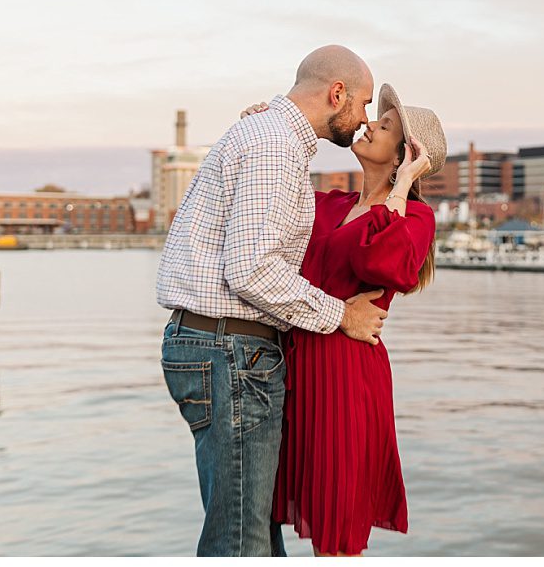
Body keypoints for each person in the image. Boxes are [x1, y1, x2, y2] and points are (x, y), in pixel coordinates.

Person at [155, 45, 390, 557]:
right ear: (337, 94)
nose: (365, 119)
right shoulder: (276, 146)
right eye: (364, 103)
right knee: (240, 539)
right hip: (231, 353)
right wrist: (342, 315)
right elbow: (251, 268)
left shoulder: (267, 135)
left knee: (254, 530)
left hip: (219, 348)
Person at [241, 83, 447, 556]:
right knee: (292, 515)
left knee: (338, 534)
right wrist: (262, 127)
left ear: (405, 156)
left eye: (387, 125)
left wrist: (398, 188)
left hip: (346, 374)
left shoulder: (415, 216)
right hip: (294, 368)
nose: (370, 122)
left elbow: (384, 264)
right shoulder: (327, 204)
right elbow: (274, 195)